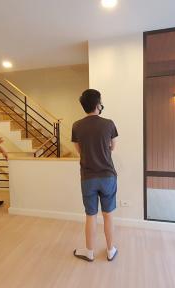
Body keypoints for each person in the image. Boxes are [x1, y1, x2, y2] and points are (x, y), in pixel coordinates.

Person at [72, 89, 119, 262]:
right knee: (108, 215)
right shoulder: (109, 123)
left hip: (88, 177)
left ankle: (89, 252)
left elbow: (79, 150)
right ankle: (110, 250)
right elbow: (113, 147)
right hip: (108, 176)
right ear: (98, 104)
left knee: (90, 215)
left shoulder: (76, 125)